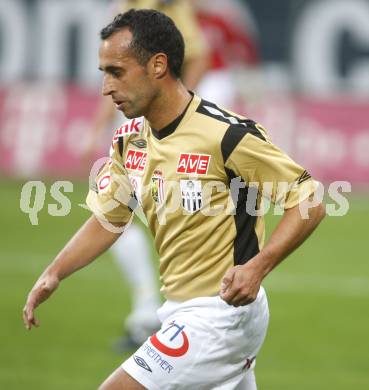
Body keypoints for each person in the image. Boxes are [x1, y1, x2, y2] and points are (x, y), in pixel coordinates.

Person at [23, 9, 325, 390]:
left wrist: (258, 266)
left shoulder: (225, 134)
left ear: (158, 66)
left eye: (116, 72)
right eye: (103, 73)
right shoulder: (130, 138)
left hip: (221, 314)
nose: (106, 88)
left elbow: (309, 199)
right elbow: (110, 217)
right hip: (182, 311)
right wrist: (55, 272)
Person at [84, 0, 210, 350]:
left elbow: (200, 54)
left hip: (163, 117)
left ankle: (176, 313)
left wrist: (182, 110)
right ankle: (147, 310)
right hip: (140, 118)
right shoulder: (127, 10)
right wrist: (96, 129)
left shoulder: (162, 4)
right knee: (115, 212)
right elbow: (116, 74)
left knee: (182, 213)